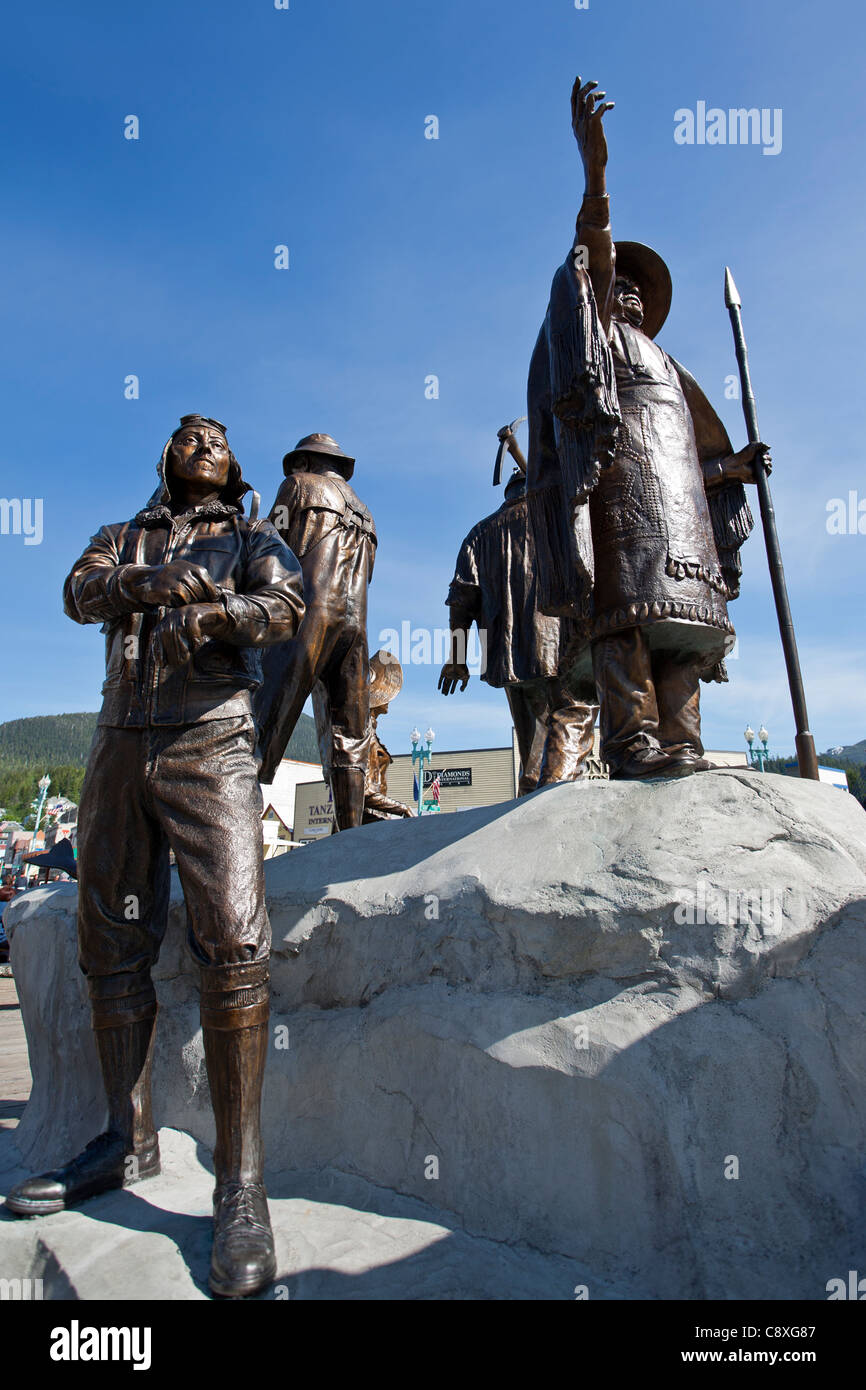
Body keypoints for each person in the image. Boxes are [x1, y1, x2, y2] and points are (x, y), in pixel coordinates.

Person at [5, 415, 305, 1300]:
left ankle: (240, 1185)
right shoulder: (120, 535)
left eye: (215, 438)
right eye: (185, 435)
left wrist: (209, 612)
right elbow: (79, 589)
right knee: (109, 937)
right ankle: (123, 1138)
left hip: (210, 741)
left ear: (234, 465)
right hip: (118, 739)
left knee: (233, 940)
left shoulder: (254, 535)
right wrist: (148, 581)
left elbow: (287, 608)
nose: (200, 442)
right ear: (167, 459)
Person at [526, 79, 766, 780]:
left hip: (679, 512)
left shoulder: (670, 365)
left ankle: (685, 742)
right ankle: (631, 741)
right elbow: (593, 245)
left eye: (634, 288)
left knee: (684, 634)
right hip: (620, 502)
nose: (624, 292)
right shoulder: (598, 341)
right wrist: (595, 172)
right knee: (626, 619)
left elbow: (697, 459)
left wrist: (735, 470)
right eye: (616, 285)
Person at [439, 466, 598, 792]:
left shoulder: (478, 535)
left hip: (505, 655)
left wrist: (457, 658)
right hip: (562, 645)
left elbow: (461, 602)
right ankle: (556, 788)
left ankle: (532, 791)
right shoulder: (559, 516)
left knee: (532, 743)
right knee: (574, 712)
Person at [254, 434, 377, 830]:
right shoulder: (366, 511)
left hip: (309, 615)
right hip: (355, 627)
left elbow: (269, 547)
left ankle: (233, 820)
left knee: (267, 713)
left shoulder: (298, 486)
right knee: (351, 733)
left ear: (304, 462)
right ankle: (351, 835)